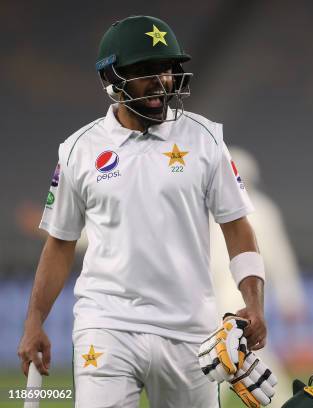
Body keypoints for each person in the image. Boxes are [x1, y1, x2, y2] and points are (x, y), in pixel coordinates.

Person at [17, 15, 267, 408]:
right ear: (112, 79)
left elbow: (237, 226)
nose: (162, 80)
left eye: (167, 68)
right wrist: (34, 321)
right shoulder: (78, 150)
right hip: (107, 326)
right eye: (145, 71)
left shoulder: (205, 139)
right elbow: (60, 244)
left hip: (191, 333)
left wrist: (253, 302)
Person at [209, 146, 306, 405]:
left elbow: (278, 256)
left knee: (241, 351)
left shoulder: (260, 210)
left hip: (238, 289)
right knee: (224, 352)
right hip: (213, 289)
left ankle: (281, 397)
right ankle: (282, 398)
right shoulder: (211, 207)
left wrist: (290, 295)